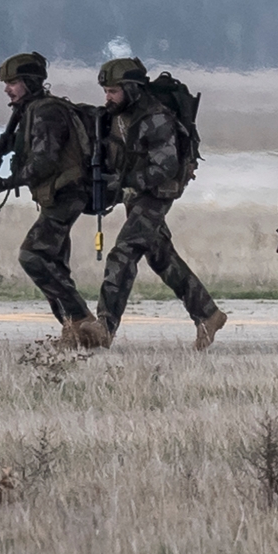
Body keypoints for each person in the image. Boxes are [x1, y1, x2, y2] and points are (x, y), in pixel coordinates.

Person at [93, 55, 225, 349]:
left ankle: (104, 327)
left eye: (113, 91)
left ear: (132, 88)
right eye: (106, 91)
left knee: (123, 253)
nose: (108, 97)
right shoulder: (116, 117)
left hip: (157, 193)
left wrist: (125, 183)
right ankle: (207, 313)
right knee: (160, 255)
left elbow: (164, 168)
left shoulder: (156, 118)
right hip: (136, 193)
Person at [0, 50, 104, 348]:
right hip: (60, 194)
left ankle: (84, 322)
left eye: (13, 82)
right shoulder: (32, 110)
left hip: (68, 193)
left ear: (29, 82)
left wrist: (5, 183)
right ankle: (74, 332)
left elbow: (44, 161)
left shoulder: (45, 112)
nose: (7, 88)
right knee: (54, 263)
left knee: (33, 255)